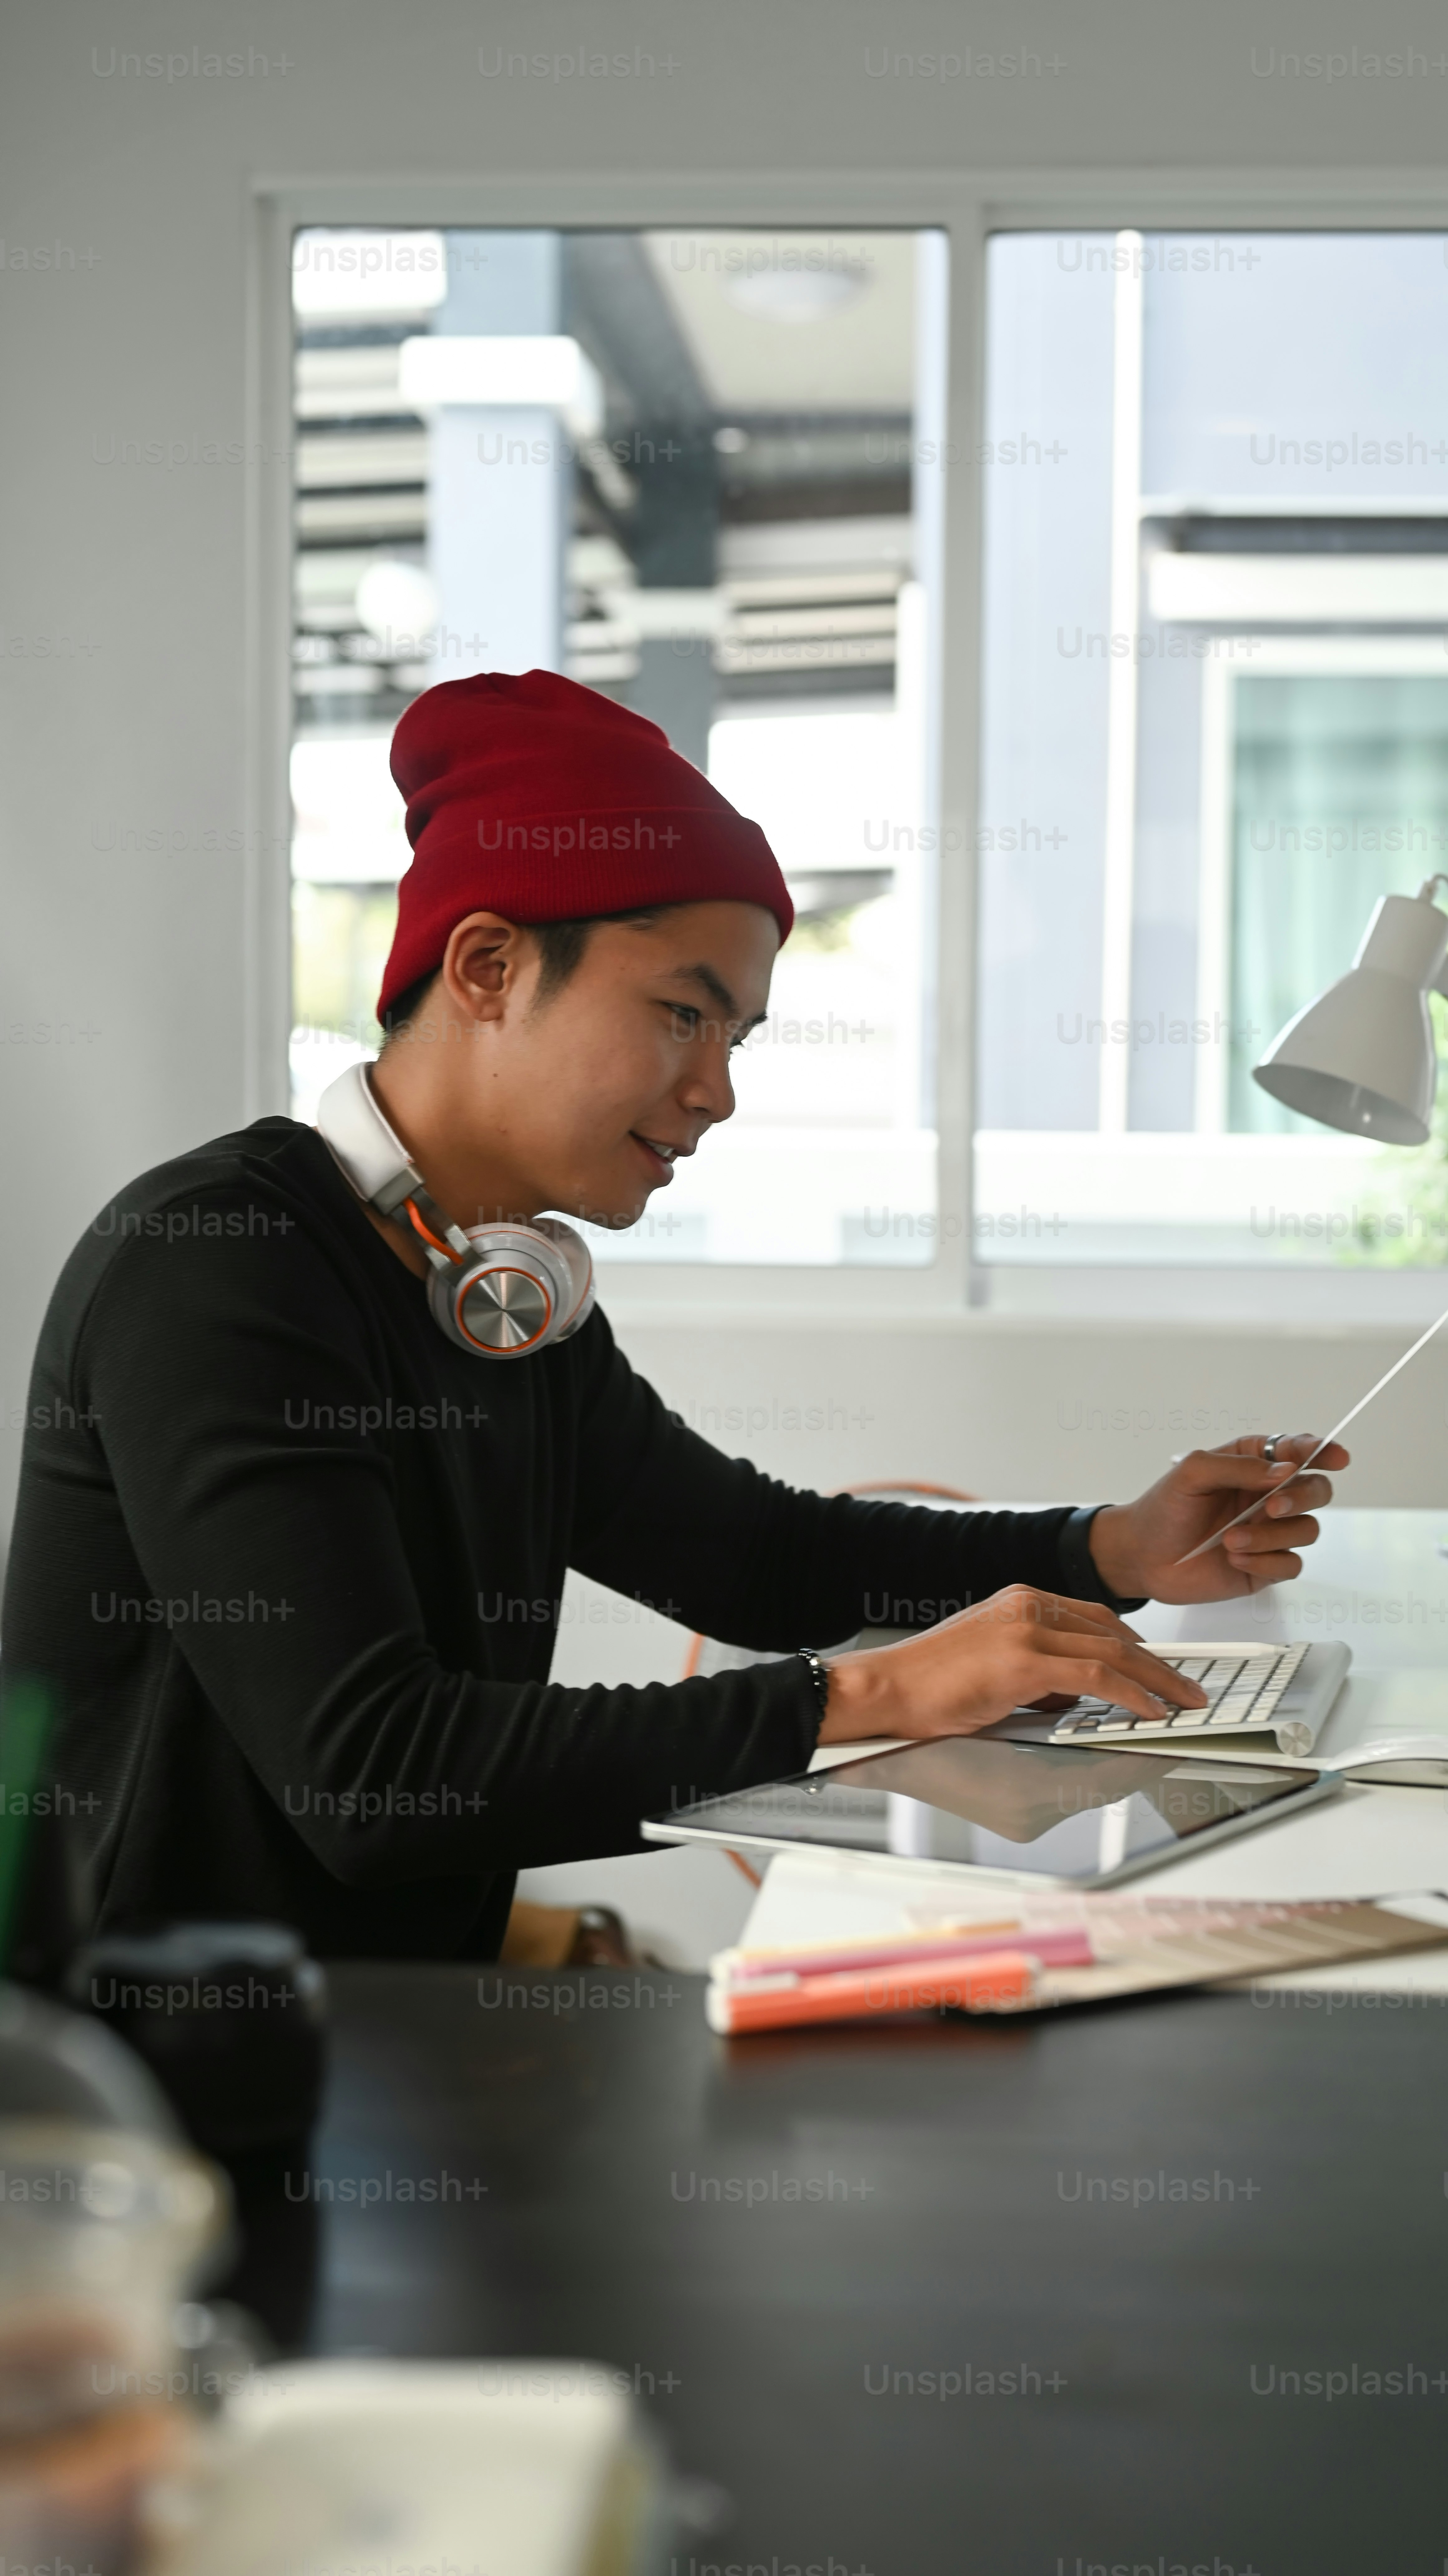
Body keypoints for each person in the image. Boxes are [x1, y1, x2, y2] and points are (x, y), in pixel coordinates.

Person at [0, 671, 1347, 1959]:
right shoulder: (219, 1265)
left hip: (374, 2038)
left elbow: (750, 1557)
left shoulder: (492, 1288)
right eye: (679, 1016)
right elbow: (374, 1772)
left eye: (736, 1039)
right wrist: (874, 1695)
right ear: (486, 967)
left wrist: (1108, 1546)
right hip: (146, 2083)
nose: (715, 1091)